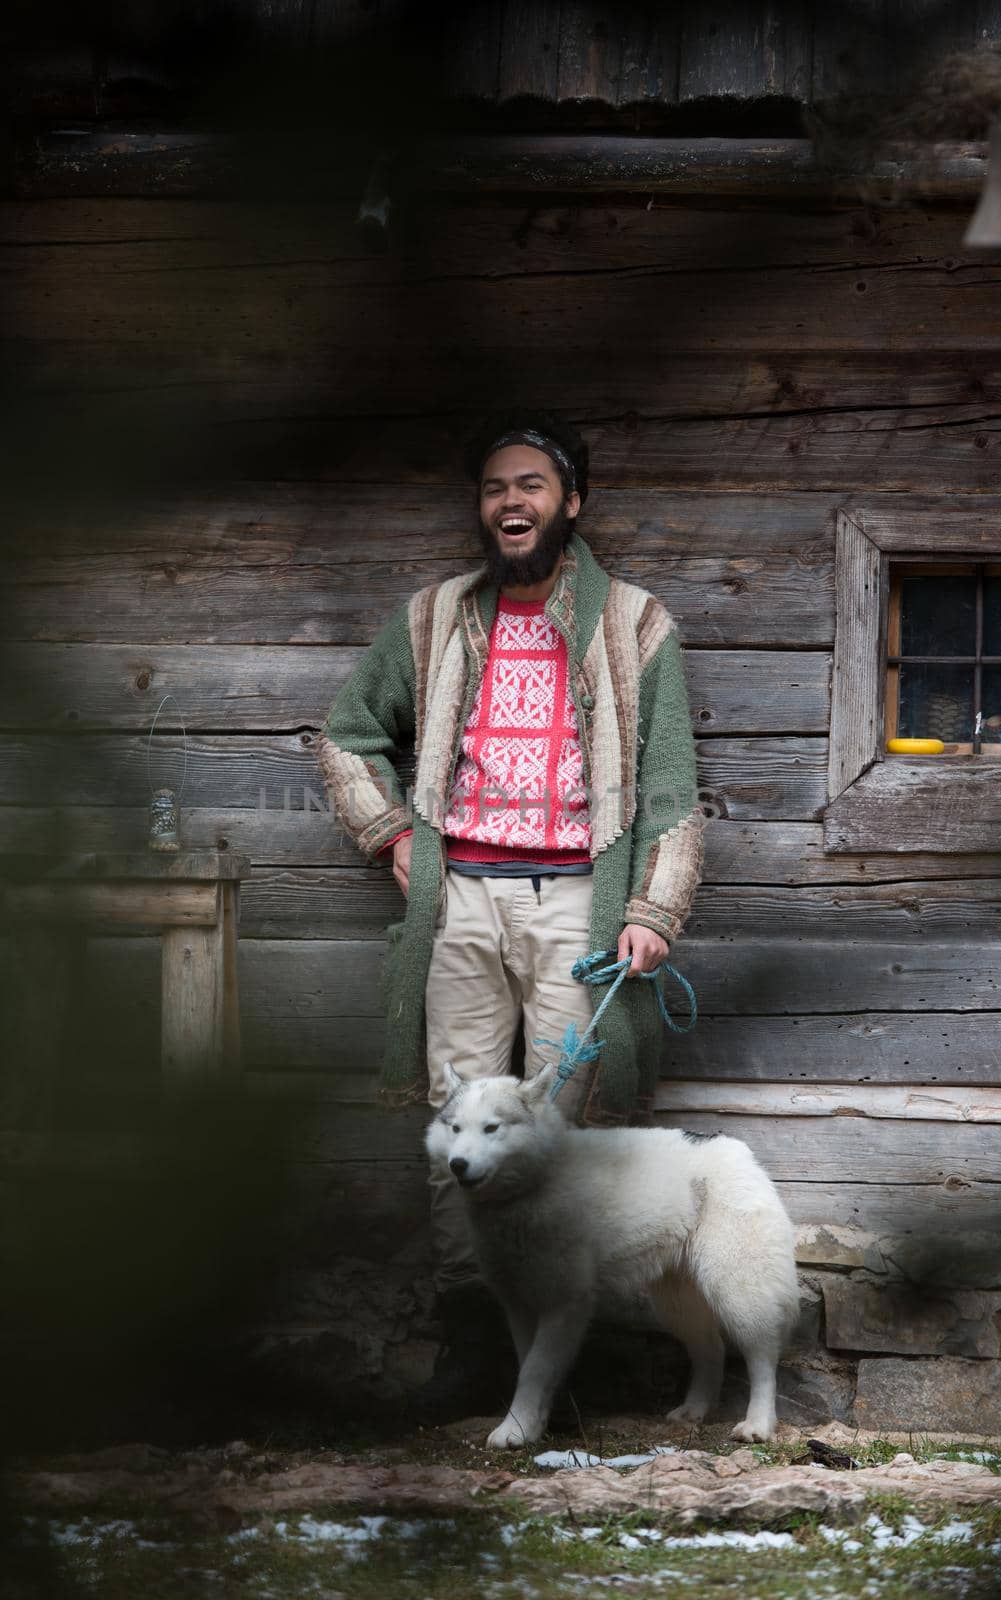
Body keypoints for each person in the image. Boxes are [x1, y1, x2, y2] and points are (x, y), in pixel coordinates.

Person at [316, 409, 704, 1415]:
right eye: (494, 487)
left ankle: (565, 1359)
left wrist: (654, 909)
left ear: (570, 501)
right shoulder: (434, 617)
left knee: (559, 1136)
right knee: (461, 1130)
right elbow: (347, 733)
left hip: (581, 899)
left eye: (530, 484)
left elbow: (669, 787)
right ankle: (473, 1346)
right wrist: (396, 836)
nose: (510, 501)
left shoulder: (635, 623)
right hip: (462, 900)